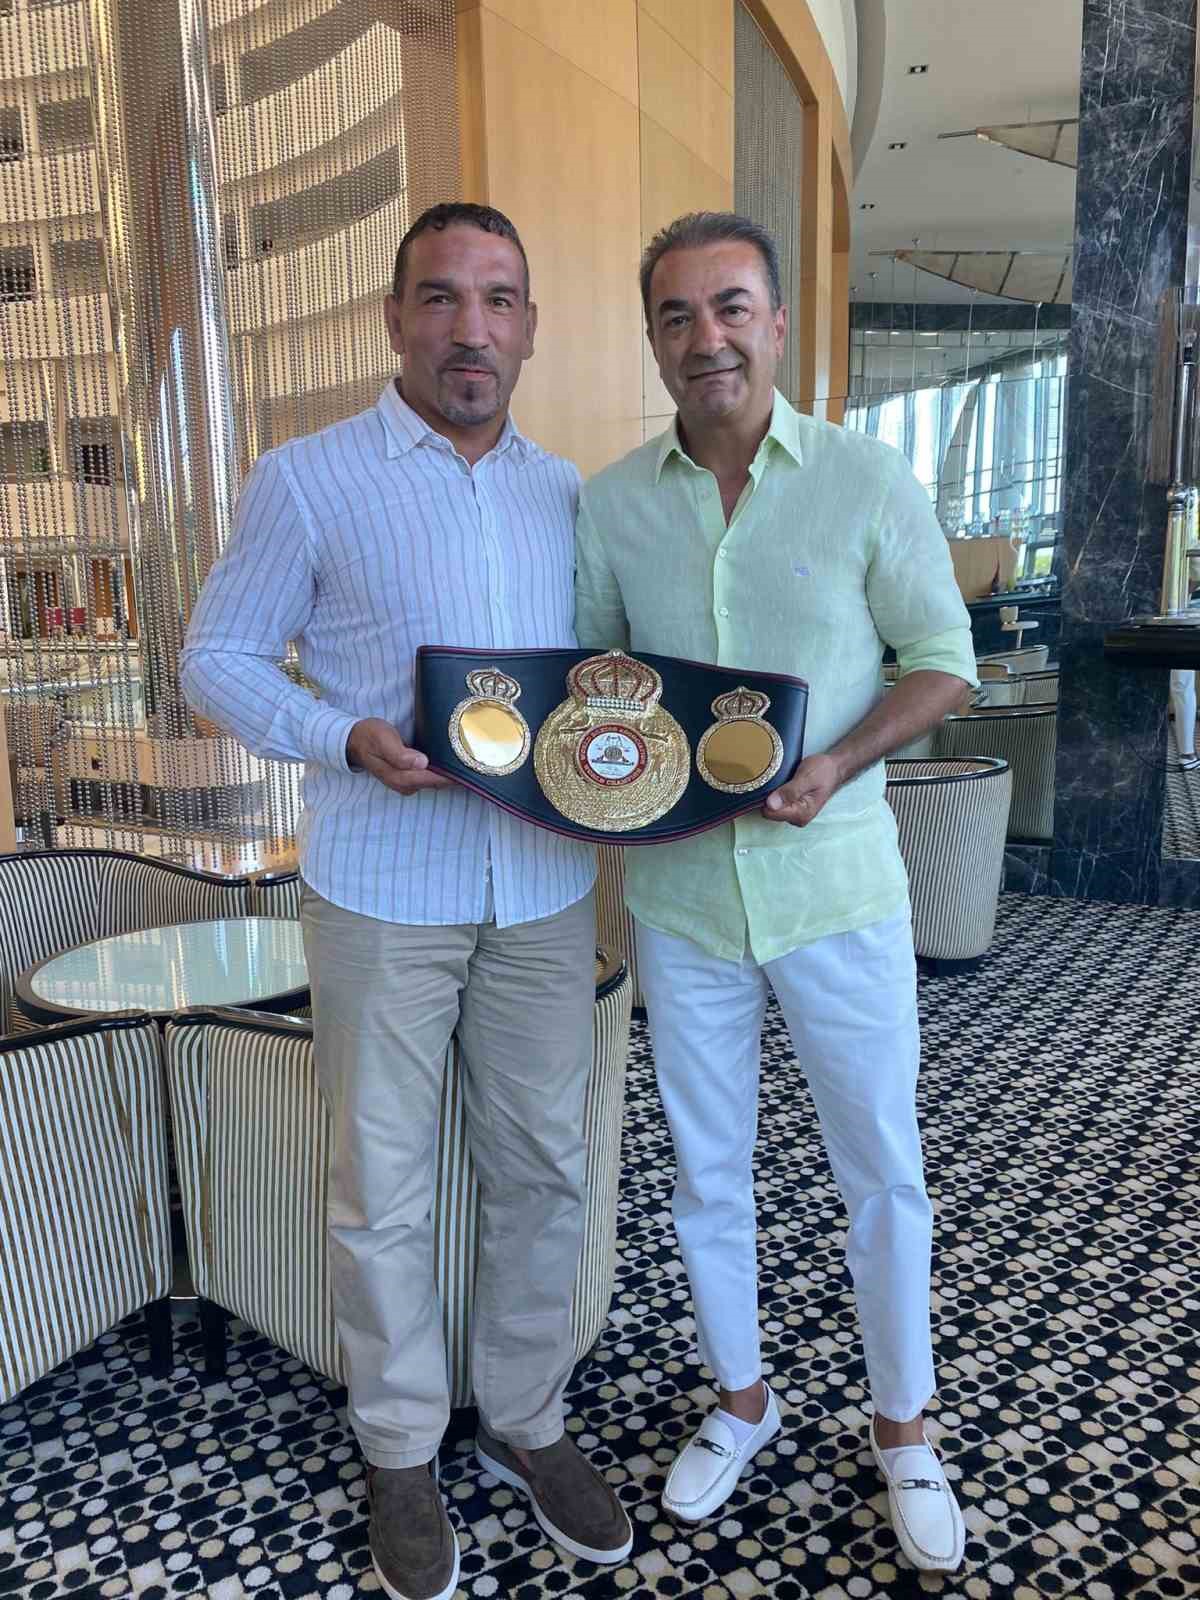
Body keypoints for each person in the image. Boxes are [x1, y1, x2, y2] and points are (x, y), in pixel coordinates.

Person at [181, 201, 633, 1600]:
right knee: (381, 1184)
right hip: (382, 886)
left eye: (499, 300)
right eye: (441, 297)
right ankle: (396, 1446)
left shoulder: (569, 494)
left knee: (547, 1168)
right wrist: (342, 737)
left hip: (542, 886)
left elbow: (598, 683)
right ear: (395, 318)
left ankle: (527, 1417)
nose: (470, 329)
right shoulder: (308, 479)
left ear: (531, 326)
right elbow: (217, 655)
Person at [574, 212, 976, 1574]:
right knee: (705, 1176)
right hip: (682, 899)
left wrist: (842, 760)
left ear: (779, 322)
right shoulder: (615, 504)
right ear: (654, 340)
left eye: (732, 307)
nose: (708, 338)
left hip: (837, 892)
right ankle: (742, 1400)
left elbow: (944, 658)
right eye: (678, 316)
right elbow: (597, 682)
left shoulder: (864, 479)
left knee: (882, 1170)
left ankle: (904, 1428)